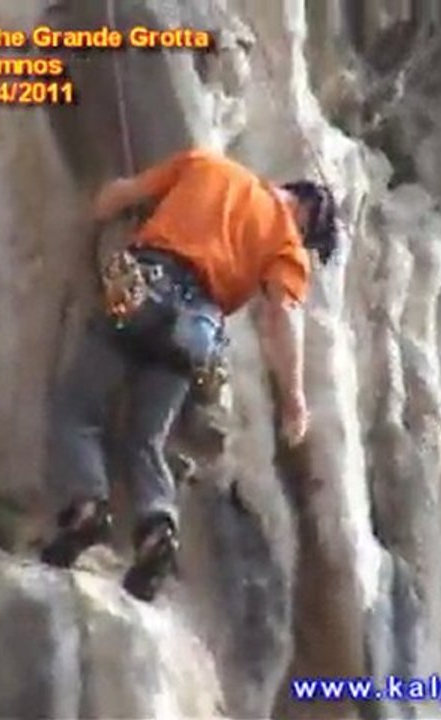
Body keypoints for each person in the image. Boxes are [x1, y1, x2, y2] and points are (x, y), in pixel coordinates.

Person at [41, 147, 339, 601]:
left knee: (77, 412)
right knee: (146, 439)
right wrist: (294, 399)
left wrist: (106, 211)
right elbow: (283, 315)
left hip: (142, 289)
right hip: (197, 330)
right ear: (304, 215)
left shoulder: (207, 165)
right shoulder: (285, 242)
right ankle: (156, 529)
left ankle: (87, 507)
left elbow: (116, 197)